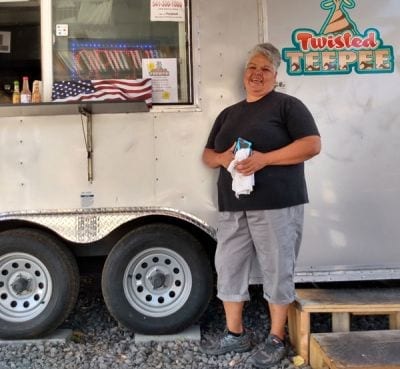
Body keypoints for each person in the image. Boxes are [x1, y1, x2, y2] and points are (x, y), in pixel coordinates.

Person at [201, 43, 321, 368]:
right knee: (229, 267)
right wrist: (223, 157)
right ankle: (235, 334)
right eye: (253, 68)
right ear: (244, 74)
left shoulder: (287, 106)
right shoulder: (228, 114)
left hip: (277, 205)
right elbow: (208, 155)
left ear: (275, 76)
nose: (257, 74)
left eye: (265, 69)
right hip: (233, 205)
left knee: (277, 267)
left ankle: (276, 337)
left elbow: (312, 145)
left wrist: (264, 160)